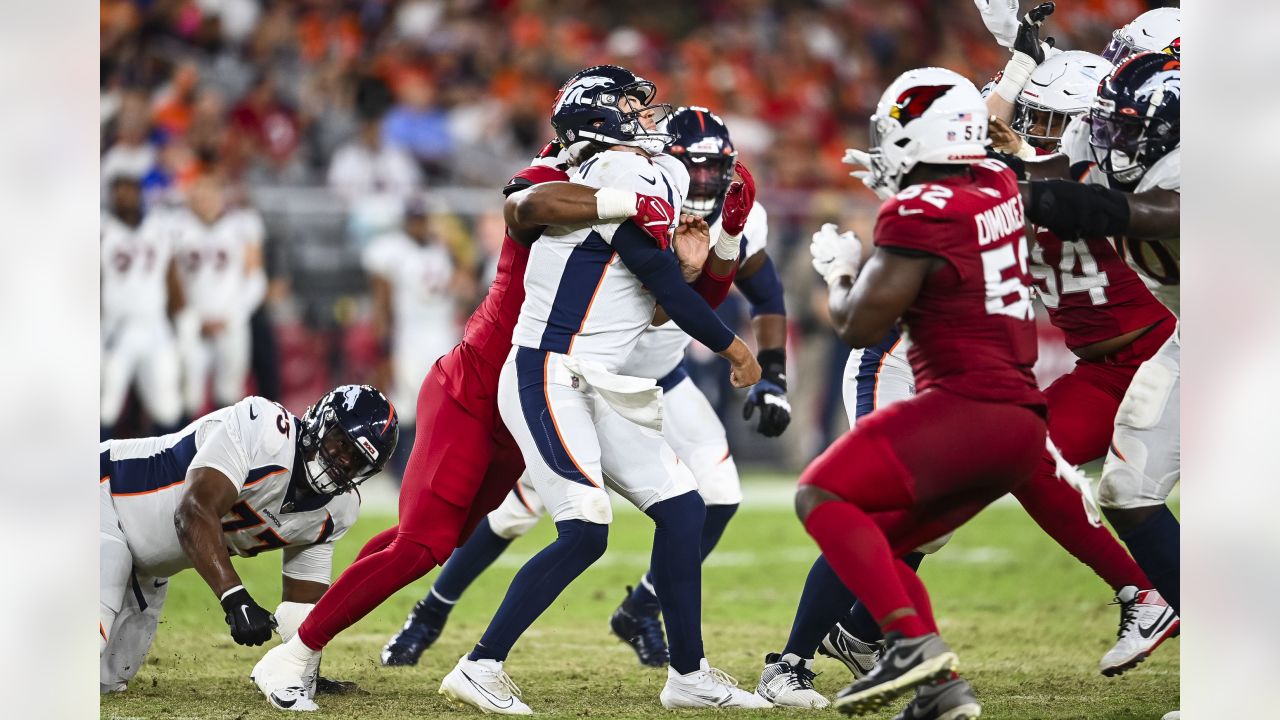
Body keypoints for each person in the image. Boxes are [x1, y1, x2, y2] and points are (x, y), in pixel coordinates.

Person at [248, 126, 703, 711]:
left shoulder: (625, 202)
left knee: (438, 538)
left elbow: (655, 307)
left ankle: (305, 633)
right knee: (423, 543)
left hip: (524, 405)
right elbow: (529, 204)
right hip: (472, 389)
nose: (643, 140)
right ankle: (294, 655)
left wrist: (687, 267)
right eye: (628, 119)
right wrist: (636, 202)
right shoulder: (563, 180)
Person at [380, 106, 788, 670]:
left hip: (659, 380)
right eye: (694, 167)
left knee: (707, 500)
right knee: (527, 511)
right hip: (579, 375)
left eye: (716, 170)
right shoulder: (633, 186)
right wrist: (733, 342)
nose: (704, 182)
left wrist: (774, 372)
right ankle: (433, 614)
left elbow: (738, 296)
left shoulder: (727, 211)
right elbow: (669, 300)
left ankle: (647, 617)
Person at [797, 68, 1047, 717]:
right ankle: (829, 662)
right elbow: (975, 133)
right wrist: (1018, 68)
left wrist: (841, 270)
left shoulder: (936, 201)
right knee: (879, 520)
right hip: (959, 383)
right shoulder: (990, 184)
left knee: (868, 513)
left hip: (949, 383)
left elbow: (858, 322)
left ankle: (882, 642)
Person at [1024, 51, 1182, 679]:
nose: (1117, 141)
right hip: (1179, 344)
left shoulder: (1195, 162)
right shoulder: (1117, 148)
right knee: (1123, 489)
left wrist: (1052, 198)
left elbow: (1162, 213)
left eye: (1129, 127)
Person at [100, 384, 397, 696]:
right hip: (101, 493)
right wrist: (235, 598)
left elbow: (302, 605)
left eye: (357, 460)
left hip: (149, 566)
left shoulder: (339, 508)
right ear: (322, 420)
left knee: (108, 680)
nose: (342, 461)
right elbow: (192, 512)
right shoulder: (264, 428)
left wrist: (301, 669)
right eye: (342, 442)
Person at [363, 196, 470, 477]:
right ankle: (400, 472)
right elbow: (383, 300)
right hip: (410, 336)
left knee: (442, 407)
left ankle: (435, 469)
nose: (419, 226)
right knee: (407, 407)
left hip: (442, 335)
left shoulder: (442, 250)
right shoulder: (395, 252)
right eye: (414, 220)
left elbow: (466, 283)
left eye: (422, 220)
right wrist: (383, 342)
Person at [171, 177, 267, 417]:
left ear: (221, 197)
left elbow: (255, 279)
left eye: (210, 196)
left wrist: (233, 316)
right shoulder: (175, 227)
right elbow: (169, 279)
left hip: (230, 319)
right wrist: (190, 316)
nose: (205, 202)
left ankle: (224, 450)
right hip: (192, 321)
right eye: (200, 197)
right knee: (188, 392)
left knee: (230, 393)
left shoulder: (240, 225)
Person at [101, 174, 184, 439]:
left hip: (154, 326)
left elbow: (171, 278)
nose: (126, 198)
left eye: (131, 191)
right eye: (120, 192)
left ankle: (170, 475)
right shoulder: (102, 230)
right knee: (106, 405)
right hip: (117, 329)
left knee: (167, 406)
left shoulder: (159, 229)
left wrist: (179, 320)